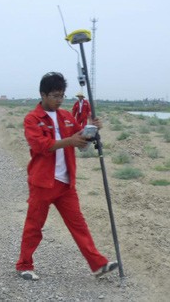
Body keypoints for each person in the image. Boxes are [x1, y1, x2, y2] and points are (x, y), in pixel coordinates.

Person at [16, 72, 117, 281]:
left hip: (66, 184)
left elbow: (81, 141)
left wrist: (92, 130)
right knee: (34, 226)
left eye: (62, 95)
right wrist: (70, 141)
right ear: (43, 94)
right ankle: (24, 265)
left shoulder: (66, 116)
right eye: (55, 95)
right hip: (42, 183)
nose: (59, 100)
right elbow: (41, 145)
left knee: (79, 225)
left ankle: (98, 265)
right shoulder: (32, 119)